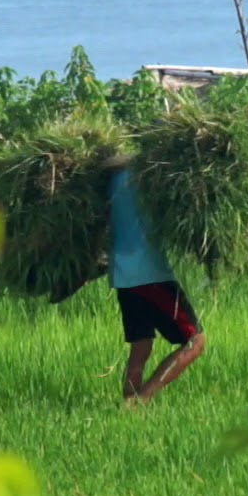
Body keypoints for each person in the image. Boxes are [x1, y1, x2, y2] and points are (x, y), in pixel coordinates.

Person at [52, 160, 206, 406]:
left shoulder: (113, 177)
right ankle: (141, 400)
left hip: (122, 273)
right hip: (150, 273)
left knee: (141, 345)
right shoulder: (151, 175)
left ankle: (127, 402)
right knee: (195, 342)